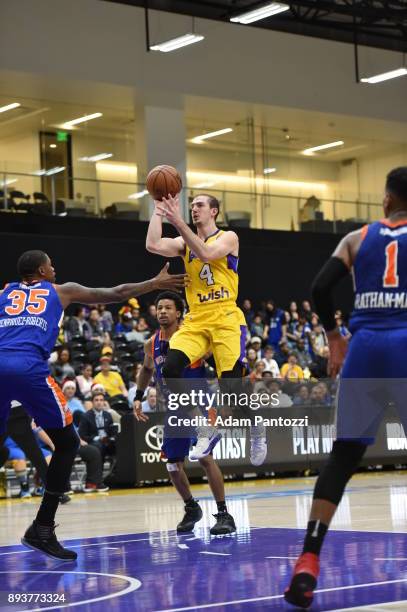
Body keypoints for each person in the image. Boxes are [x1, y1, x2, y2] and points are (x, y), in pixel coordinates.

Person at [0, 249, 186, 560]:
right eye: (51, 264)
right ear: (43, 272)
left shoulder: (5, 292)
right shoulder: (61, 291)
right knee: (68, 444)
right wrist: (153, 283)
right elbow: (116, 293)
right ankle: (42, 528)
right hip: (29, 369)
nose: (55, 267)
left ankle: (42, 528)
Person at [285, 167, 407, 608]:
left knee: (345, 454)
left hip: (367, 347)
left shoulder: (358, 237)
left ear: (388, 201)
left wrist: (335, 338)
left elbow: (320, 288)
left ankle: (308, 560)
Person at [146, 193, 267, 466]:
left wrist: (176, 221)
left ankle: (257, 428)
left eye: (199, 205)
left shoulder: (228, 237)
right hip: (197, 318)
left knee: (233, 391)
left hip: (225, 316)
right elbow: (153, 244)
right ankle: (203, 427)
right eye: (191, 207)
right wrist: (157, 211)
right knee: (170, 368)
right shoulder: (183, 242)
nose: (193, 209)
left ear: (214, 211)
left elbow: (206, 253)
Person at [134, 291, 235, 535]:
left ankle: (223, 514)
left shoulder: (194, 339)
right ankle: (191, 507)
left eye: (168, 307)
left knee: (204, 457)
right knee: (172, 465)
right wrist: (138, 396)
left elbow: (221, 362)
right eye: (159, 308)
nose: (162, 312)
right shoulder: (152, 343)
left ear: (179, 313)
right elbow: (147, 370)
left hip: (199, 405)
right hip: (174, 409)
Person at [78, 392, 117, 461]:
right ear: (92, 402)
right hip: (93, 442)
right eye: (96, 400)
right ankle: (99, 470)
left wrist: (112, 438)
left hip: (107, 441)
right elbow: (82, 435)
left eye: (101, 400)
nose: (99, 402)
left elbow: (112, 431)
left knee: (119, 444)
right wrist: (97, 438)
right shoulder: (86, 416)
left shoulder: (108, 415)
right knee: (98, 445)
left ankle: (116, 470)